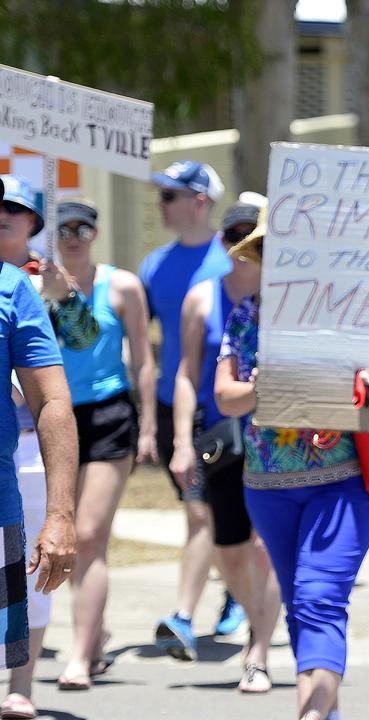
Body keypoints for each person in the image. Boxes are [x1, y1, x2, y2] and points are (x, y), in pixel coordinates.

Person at [214, 217, 369, 720]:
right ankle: (323, 712)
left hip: (345, 483)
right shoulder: (246, 315)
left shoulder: (349, 314)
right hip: (267, 487)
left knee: (319, 598)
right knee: (299, 604)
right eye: (271, 253)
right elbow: (226, 398)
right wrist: (264, 385)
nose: (283, 262)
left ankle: (310, 715)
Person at [42, 199, 157, 692]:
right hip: (56, 415)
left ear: (95, 233)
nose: (72, 237)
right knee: (55, 534)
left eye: (82, 229)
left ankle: (80, 654)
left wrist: (149, 426)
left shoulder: (123, 285)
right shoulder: (31, 286)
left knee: (88, 535)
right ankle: (97, 632)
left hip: (110, 415)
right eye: (64, 229)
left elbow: (145, 360)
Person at [168, 197, 281, 694]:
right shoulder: (205, 299)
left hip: (280, 441)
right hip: (221, 437)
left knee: (265, 548)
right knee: (229, 550)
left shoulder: (286, 300)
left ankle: (258, 647)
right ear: (221, 240)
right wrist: (180, 441)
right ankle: (256, 614)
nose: (240, 245)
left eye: (248, 235)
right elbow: (188, 375)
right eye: (231, 234)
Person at [139, 160, 242, 661]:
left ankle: (201, 607)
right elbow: (141, 341)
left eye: (170, 196)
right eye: (160, 195)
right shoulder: (153, 266)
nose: (160, 205)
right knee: (203, 512)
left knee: (212, 515)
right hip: (177, 410)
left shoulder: (232, 259)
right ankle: (219, 597)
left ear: (199, 200)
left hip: (234, 412)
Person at [0, 176, 82, 719]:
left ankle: (20, 679)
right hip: (16, 434)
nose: (4, 213)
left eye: (15, 206)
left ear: (33, 220)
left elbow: (90, 346)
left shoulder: (42, 280)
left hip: (41, 443)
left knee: (29, 572)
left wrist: (66, 298)